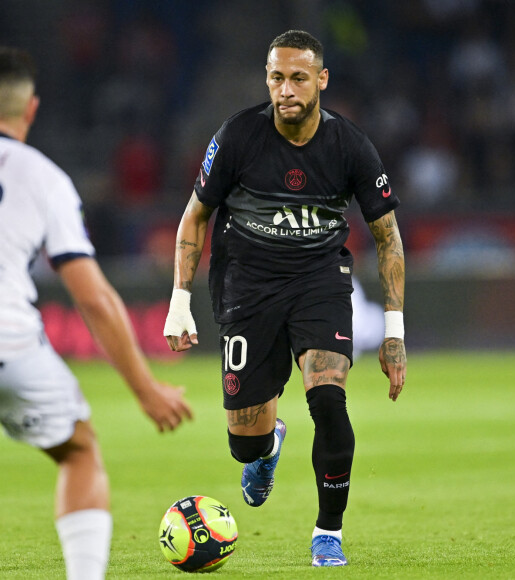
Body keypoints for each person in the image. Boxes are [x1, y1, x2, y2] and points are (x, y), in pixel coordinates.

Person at [164, 30, 406, 567]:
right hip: (246, 286)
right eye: (277, 77)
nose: (286, 89)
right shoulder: (237, 138)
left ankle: (328, 534)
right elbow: (195, 215)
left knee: (327, 398)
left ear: (321, 79)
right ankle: (267, 444)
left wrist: (394, 333)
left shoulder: (350, 147)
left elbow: (388, 237)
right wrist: (179, 298)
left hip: (318, 280)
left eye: (298, 77)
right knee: (243, 445)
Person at [0, 47, 193, 580]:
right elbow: (94, 297)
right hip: (8, 342)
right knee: (79, 448)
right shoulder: (43, 178)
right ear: (31, 109)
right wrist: (145, 388)